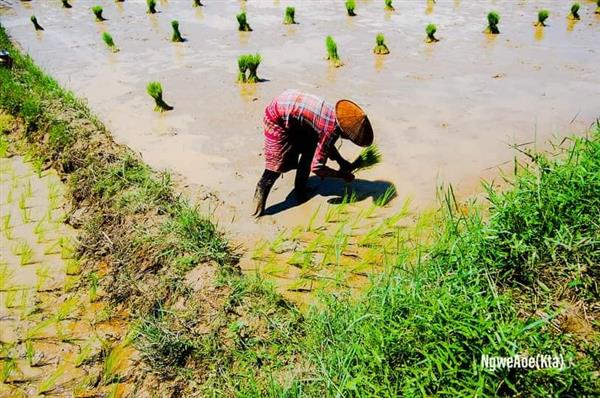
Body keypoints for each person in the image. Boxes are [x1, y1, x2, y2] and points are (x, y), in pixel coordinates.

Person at [252, 89, 373, 217]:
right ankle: (257, 210)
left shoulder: (335, 116)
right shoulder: (331, 129)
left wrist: (342, 162)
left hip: (289, 105)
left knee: (310, 148)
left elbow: (326, 145)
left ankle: (300, 189)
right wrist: (341, 175)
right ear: (345, 132)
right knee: (274, 167)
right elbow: (317, 167)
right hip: (276, 117)